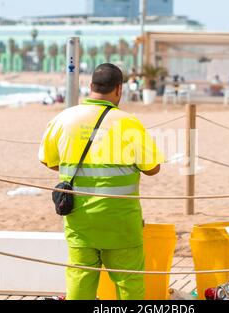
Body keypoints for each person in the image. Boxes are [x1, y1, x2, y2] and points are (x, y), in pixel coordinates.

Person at [39, 63, 164, 300]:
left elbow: (48, 160)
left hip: (79, 220)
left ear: (91, 86)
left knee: (80, 279)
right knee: (129, 283)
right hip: (121, 222)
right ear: (119, 89)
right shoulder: (129, 123)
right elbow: (153, 168)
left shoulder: (64, 118)